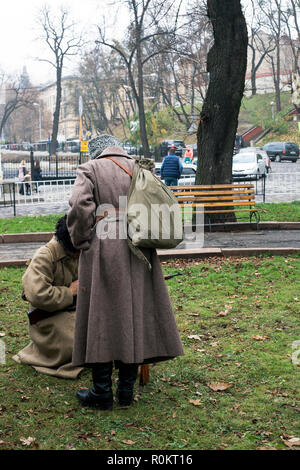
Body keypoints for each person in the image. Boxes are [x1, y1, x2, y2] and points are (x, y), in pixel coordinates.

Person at [67, 134, 184, 410]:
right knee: (134, 315)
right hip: (139, 246)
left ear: (96, 152)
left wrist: (81, 240)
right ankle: (126, 392)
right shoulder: (139, 167)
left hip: (103, 248)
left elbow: (79, 206)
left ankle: (102, 392)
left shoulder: (91, 169)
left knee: (100, 316)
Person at [12, 216, 83, 379]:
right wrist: (70, 292)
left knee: (100, 335)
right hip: (48, 320)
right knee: (76, 345)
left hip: (76, 312)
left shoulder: (80, 252)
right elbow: (37, 295)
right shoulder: (45, 256)